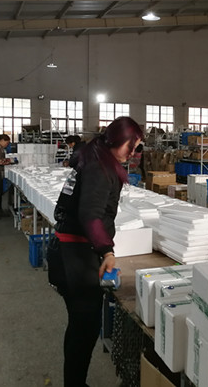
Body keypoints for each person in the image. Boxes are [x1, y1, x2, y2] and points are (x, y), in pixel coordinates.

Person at [47, 117, 143, 387]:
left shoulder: (94, 157)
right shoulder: (100, 168)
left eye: (137, 148)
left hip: (69, 251)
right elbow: (90, 215)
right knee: (85, 327)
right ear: (115, 140)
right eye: (130, 146)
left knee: (80, 326)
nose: (133, 153)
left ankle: (74, 383)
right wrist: (107, 251)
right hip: (76, 257)